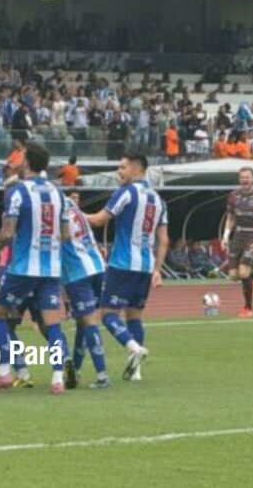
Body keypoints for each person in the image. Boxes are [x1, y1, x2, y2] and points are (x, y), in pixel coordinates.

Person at [0, 143, 70, 396]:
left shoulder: (18, 192)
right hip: (50, 269)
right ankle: (57, 378)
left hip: (22, 268)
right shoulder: (57, 193)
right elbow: (65, 234)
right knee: (52, 324)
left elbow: (7, 232)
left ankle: (4, 373)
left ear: (27, 162)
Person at [86, 154, 168, 382]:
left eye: (122, 167)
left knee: (107, 314)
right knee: (134, 315)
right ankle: (136, 371)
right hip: (145, 267)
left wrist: (74, 213)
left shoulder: (126, 192)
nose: (118, 171)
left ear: (136, 170)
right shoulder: (159, 200)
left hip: (122, 264)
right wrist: (158, 269)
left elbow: (100, 220)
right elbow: (164, 239)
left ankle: (133, 347)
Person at [61, 191, 109, 389]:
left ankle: (102, 375)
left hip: (77, 272)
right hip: (97, 266)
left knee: (89, 322)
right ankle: (77, 368)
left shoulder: (56, 207)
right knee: (82, 321)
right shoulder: (71, 204)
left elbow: (62, 236)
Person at [221, 167, 253, 318]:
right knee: (233, 276)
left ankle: (248, 307)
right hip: (237, 237)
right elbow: (230, 218)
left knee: (244, 271)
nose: (245, 180)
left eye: (247, 177)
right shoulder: (233, 196)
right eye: (242, 177)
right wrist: (225, 237)